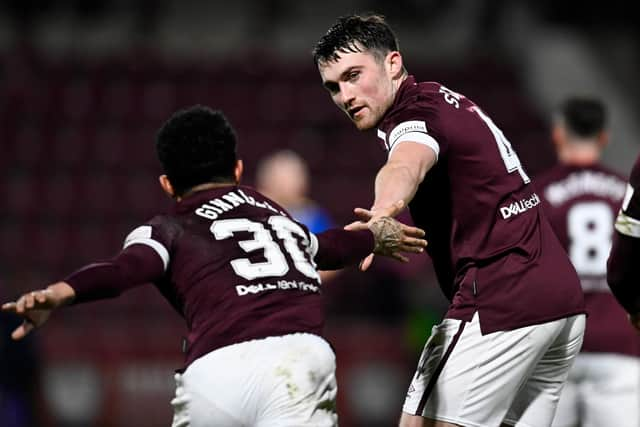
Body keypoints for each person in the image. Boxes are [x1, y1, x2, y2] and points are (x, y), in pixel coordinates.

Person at [1, 105, 427, 427]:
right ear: (239, 170)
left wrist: (59, 293)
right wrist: (374, 236)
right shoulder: (276, 215)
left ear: (167, 185)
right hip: (302, 360)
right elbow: (327, 247)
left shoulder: (169, 228)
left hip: (219, 370)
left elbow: (122, 271)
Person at [313, 13, 586, 427]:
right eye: (333, 86)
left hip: (500, 297)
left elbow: (405, 165)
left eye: (353, 75)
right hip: (560, 299)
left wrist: (383, 210)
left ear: (392, 63)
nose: (345, 95)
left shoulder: (413, 119)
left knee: (418, 424)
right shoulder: (440, 98)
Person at [535, 97, 640, 427]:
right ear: (604, 137)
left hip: (555, 346)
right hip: (620, 345)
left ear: (558, 134)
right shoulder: (627, 193)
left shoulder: (536, 196)